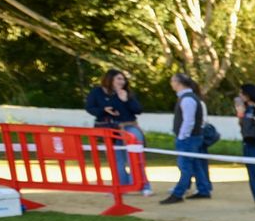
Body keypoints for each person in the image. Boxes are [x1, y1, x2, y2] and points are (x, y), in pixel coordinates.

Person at [84, 69, 149, 195]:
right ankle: (120, 187)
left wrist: (126, 100)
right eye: (119, 78)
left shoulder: (127, 93)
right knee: (116, 160)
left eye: (123, 79)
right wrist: (104, 110)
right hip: (109, 128)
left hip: (129, 127)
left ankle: (143, 186)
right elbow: (90, 108)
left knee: (136, 157)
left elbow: (138, 110)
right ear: (110, 79)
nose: (122, 81)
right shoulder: (97, 92)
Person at [160, 74, 212, 205]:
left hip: (189, 138)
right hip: (192, 137)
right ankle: (204, 189)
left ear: (178, 83)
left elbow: (189, 121)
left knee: (185, 166)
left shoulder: (187, 99)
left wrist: (182, 136)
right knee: (195, 164)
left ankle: (178, 193)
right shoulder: (188, 97)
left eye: (172, 81)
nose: (171, 84)